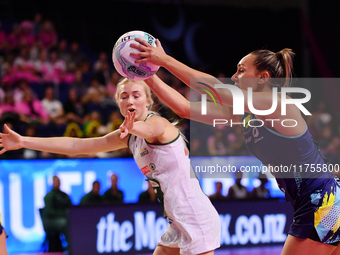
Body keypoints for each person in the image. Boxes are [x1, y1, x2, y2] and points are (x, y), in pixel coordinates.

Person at [130, 38, 340, 254]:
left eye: (241, 71)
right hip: (322, 201)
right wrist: (147, 75)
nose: (234, 77)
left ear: (263, 78)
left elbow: (216, 90)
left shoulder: (276, 103)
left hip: (322, 202)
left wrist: (164, 60)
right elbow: (184, 108)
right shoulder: (248, 113)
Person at [0, 78, 220, 255]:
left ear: (148, 101)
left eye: (136, 95)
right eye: (124, 96)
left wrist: (134, 128)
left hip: (193, 215)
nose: (130, 100)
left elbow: (151, 131)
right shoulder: (128, 134)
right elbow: (77, 145)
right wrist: (23, 141)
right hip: (176, 221)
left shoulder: (157, 123)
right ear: (118, 103)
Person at [42, 175, 72, 252]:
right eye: (56, 181)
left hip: (65, 218)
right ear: (52, 183)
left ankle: (76, 245)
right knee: (65, 223)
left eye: (58, 181)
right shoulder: (49, 196)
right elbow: (49, 211)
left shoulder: (64, 195)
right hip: (51, 221)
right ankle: (70, 249)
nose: (57, 183)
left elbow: (71, 206)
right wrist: (63, 214)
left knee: (72, 223)